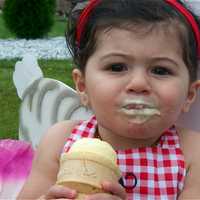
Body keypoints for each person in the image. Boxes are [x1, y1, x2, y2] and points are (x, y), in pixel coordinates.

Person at [17, 0, 200, 199]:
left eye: (160, 70)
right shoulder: (60, 141)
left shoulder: (192, 152)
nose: (138, 83)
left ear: (189, 95)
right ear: (83, 86)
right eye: (116, 67)